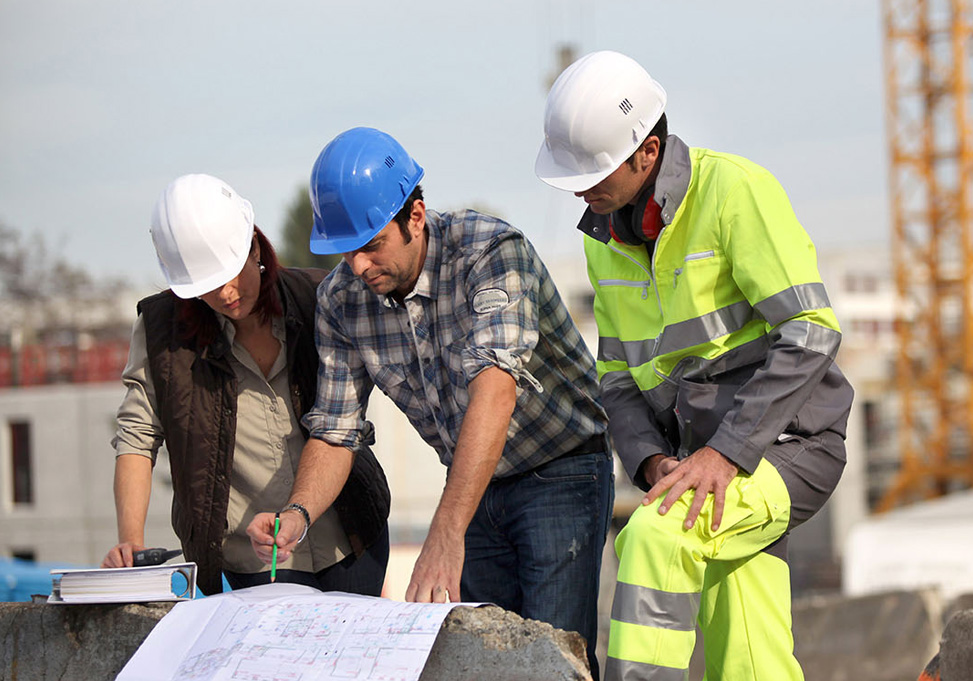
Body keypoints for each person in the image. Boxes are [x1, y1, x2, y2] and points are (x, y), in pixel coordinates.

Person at [245, 127, 612, 677]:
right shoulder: (341, 301)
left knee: (551, 658)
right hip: (471, 486)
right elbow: (335, 429)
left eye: (371, 247)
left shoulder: (490, 253)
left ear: (414, 215)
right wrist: (299, 513)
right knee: (489, 663)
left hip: (560, 471)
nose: (359, 268)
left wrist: (445, 529)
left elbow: (495, 389)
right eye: (346, 253)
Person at [537, 51, 854, 680]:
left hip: (788, 447)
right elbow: (619, 377)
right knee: (749, 653)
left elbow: (813, 331)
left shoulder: (735, 192)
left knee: (656, 537)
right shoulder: (604, 242)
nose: (580, 190)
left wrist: (727, 453)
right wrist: (651, 460)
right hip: (702, 462)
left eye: (595, 174)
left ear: (647, 154)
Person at [104, 173, 391, 597]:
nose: (226, 292)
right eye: (206, 286)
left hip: (350, 535)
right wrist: (130, 539)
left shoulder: (318, 297)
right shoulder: (162, 332)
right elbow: (137, 436)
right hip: (255, 558)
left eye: (232, 272)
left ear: (255, 246)